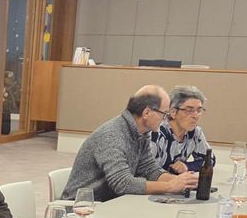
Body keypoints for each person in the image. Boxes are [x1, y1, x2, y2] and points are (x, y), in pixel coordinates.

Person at [62, 86, 199, 202]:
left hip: (110, 204)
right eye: (164, 114)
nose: (165, 120)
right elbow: (122, 183)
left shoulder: (142, 133)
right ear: (146, 113)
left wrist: (182, 181)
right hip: (81, 209)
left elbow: (149, 169)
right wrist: (170, 186)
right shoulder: (112, 135)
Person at [149, 85, 211, 174]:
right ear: (173, 112)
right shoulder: (156, 134)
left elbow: (210, 160)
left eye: (199, 110)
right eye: (189, 110)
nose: (196, 115)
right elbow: (144, 171)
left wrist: (187, 166)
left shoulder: (195, 132)